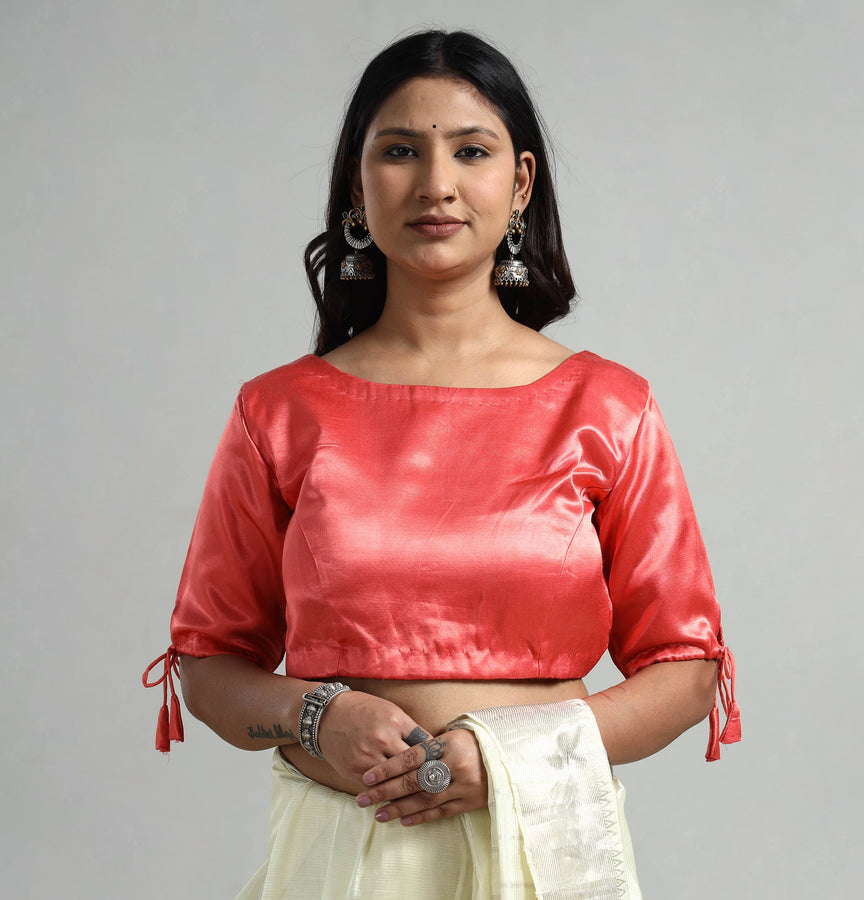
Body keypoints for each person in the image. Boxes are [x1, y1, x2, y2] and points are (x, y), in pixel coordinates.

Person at [143, 29, 740, 899]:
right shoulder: (279, 412)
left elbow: (685, 671)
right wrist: (320, 714)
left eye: (471, 151)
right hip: (344, 848)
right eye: (399, 152)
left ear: (520, 183)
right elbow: (208, 666)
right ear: (357, 182)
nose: (436, 184)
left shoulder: (608, 408)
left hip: (544, 845)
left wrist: (504, 758)